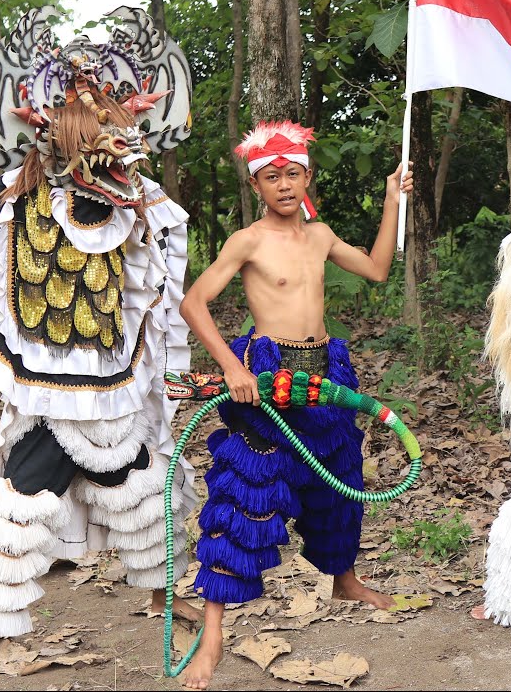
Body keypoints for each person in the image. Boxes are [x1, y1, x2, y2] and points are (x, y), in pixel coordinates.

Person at [0, 7, 201, 691]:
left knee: (146, 503)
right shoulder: (19, 203)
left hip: (114, 391)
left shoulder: (142, 208)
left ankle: (164, 599)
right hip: (49, 396)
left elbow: (164, 297)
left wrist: (171, 377)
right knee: (13, 523)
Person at [177, 120, 413, 689]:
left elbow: (378, 270)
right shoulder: (248, 241)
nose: (284, 184)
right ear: (257, 185)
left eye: (293, 173)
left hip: (325, 371)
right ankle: (212, 637)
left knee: (340, 478)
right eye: (272, 176)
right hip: (267, 375)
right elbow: (194, 303)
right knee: (244, 494)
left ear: (307, 177)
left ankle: (345, 579)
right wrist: (233, 367)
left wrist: (390, 202)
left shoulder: (322, 235)